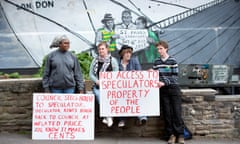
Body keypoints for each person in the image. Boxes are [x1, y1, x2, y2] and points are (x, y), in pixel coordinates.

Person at [152, 40, 184, 144]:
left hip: (173, 89)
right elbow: (154, 74)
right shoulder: (156, 61)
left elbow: (175, 77)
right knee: (167, 113)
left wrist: (164, 82)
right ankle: (171, 135)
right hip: (163, 90)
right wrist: (149, 72)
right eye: (158, 49)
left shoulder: (173, 61)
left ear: (166, 49)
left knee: (177, 112)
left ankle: (180, 135)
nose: (159, 51)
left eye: (161, 49)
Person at [89, 41, 119, 127]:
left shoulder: (112, 60)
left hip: (110, 86)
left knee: (110, 99)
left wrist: (108, 82)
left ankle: (108, 117)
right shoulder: (95, 60)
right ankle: (108, 116)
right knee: (99, 97)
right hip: (98, 86)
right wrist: (97, 81)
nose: (101, 51)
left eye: (103, 49)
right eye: (99, 49)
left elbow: (116, 73)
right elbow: (91, 74)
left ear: (107, 49)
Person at [117, 45, 148, 128]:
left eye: (130, 53)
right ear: (122, 54)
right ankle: (122, 119)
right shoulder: (117, 63)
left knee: (137, 98)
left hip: (133, 87)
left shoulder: (134, 61)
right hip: (121, 88)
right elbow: (114, 75)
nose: (128, 55)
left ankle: (142, 117)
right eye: (126, 53)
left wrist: (135, 73)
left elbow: (140, 73)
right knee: (120, 98)